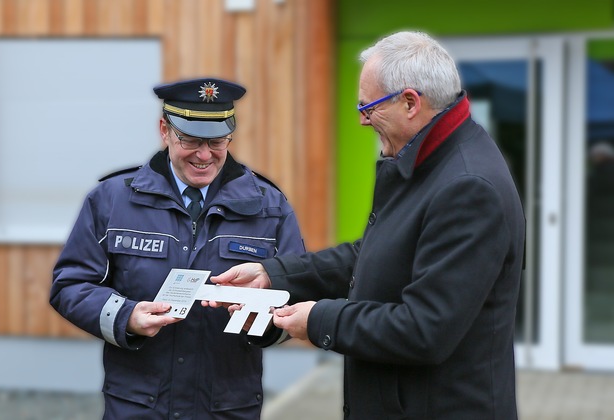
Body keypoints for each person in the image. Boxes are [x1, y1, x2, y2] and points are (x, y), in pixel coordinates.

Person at [209, 31, 525, 419]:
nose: (362, 120)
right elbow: (375, 254)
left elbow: (425, 329)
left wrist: (318, 320)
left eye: (369, 106)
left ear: (410, 103)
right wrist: (274, 275)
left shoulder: (467, 187)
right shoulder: (432, 161)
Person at [50, 77, 305, 419]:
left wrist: (264, 323)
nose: (204, 155)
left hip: (227, 406)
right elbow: (70, 285)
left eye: (217, 142)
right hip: (139, 406)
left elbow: (297, 296)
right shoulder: (111, 200)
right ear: (164, 130)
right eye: (190, 140)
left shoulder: (269, 206)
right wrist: (126, 316)